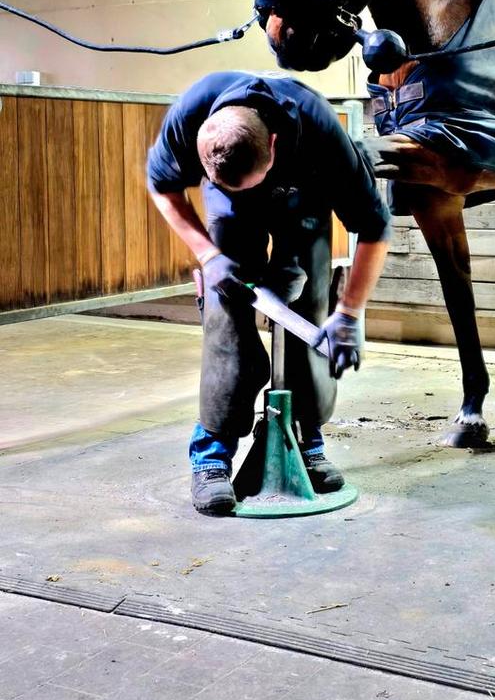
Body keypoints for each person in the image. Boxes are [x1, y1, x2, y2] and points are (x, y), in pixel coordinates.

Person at [147, 70, 390, 515]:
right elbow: (162, 187)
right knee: (227, 324)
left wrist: (350, 313)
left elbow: (375, 228)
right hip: (232, 212)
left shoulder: (319, 130)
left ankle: (306, 442)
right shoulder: (192, 111)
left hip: (305, 200)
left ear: (274, 145)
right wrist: (207, 255)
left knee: (312, 311)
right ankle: (211, 458)